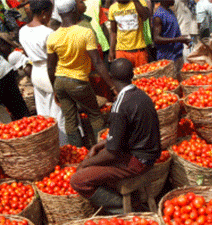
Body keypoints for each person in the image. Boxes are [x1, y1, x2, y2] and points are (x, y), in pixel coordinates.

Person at [70, 58, 160, 213]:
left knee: (78, 180)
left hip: (136, 162)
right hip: (149, 155)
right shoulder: (141, 96)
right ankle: (129, 200)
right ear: (132, 75)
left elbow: (112, 153)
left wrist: (87, 163)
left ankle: (124, 207)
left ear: (110, 76)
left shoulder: (120, 105)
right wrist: (100, 144)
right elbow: (130, 132)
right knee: (98, 157)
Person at [47, 0, 116, 147]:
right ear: (74, 10)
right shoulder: (85, 33)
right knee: (95, 115)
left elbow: (50, 68)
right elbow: (97, 62)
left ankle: (77, 153)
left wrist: (54, 89)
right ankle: (103, 149)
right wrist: (112, 86)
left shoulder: (52, 37)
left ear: (59, 13)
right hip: (77, 81)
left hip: (60, 81)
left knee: (70, 119)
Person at [19, 0, 65, 126]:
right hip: (49, 72)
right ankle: (63, 143)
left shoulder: (22, 31)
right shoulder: (48, 33)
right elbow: (54, 59)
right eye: (50, 13)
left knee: (43, 112)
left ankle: (47, 138)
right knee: (59, 112)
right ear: (44, 13)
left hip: (36, 72)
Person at [108, 0, 151, 66]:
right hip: (121, 51)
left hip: (139, 51)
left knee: (142, 75)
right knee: (122, 74)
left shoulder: (140, 3)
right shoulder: (113, 8)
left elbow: (145, 17)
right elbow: (113, 31)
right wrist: (111, 50)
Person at [152, 0, 189, 70]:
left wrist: (182, 40)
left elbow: (172, 33)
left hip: (177, 54)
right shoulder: (159, 16)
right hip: (167, 57)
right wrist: (177, 40)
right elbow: (156, 39)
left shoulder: (170, 12)